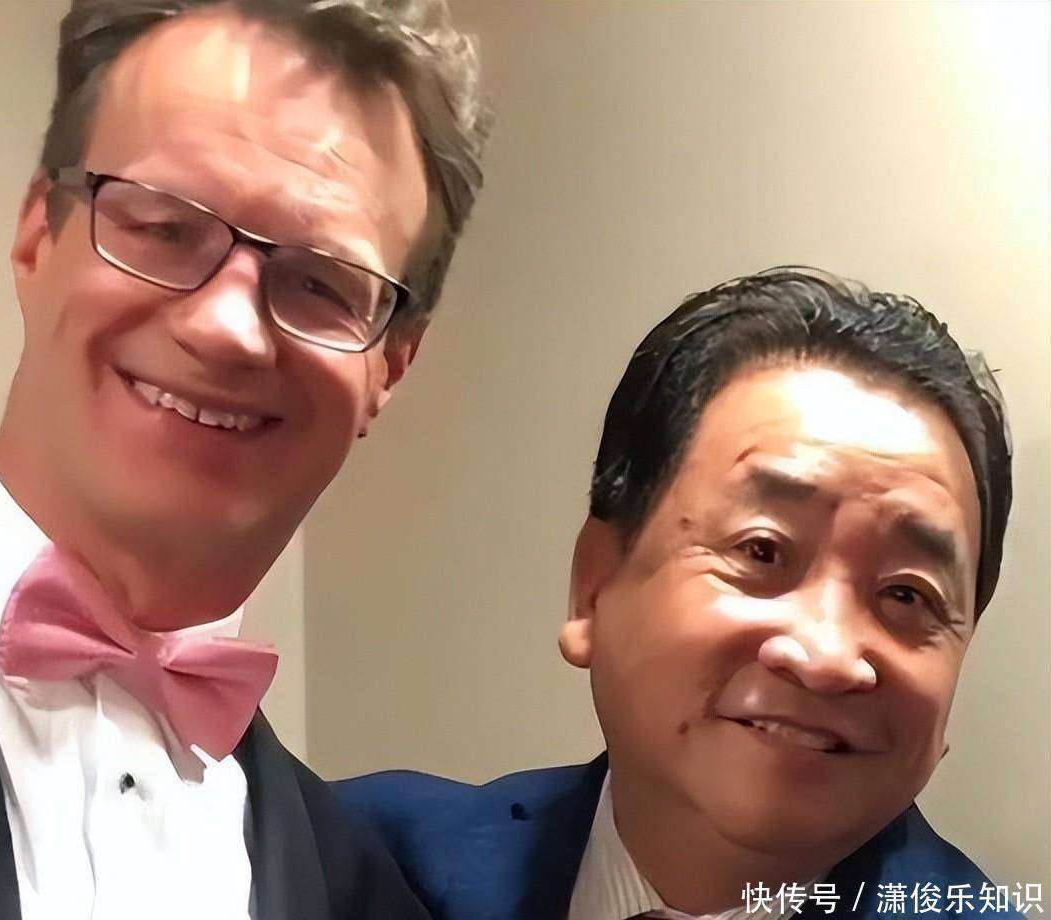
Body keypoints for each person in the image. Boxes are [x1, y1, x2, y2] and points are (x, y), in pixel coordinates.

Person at [0, 1, 489, 918]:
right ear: (38, 236)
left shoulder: (371, 894)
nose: (228, 328)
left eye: (320, 283)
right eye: (163, 226)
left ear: (390, 366)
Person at [336, 268, 1018, 920]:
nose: (827, 656)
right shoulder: (351, 863)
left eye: (907, 596)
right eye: (762, 551)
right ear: (595, 585)